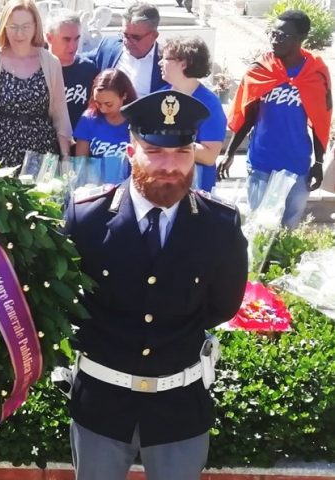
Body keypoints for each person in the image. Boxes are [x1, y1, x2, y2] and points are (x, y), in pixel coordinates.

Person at [63, 90, 248, 480]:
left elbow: (222, 306)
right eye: (156, 152)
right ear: (131, 154)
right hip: (102, 404)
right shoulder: (87, 219)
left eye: (181, 153)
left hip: (178, 407)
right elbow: (68, 301)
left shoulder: (219, 225)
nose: (170, 166)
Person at [218, 10, 331, 228]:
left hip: (297, 166)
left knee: (289, 229)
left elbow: (321, 121)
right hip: (261, 162)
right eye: (272, 33)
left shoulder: (315, 75)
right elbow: (247, 115)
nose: (274, 40)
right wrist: (229, 153)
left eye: (282, 36)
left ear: (300, 38)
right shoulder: (260, 70)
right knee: (258, 228)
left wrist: (318, 162)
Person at [0, 0, 71, 167]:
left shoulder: (50, 62)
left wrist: (66, 157)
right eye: (13, 27)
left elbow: (60, 114)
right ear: (4, 27)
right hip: (1, 152)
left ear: (35, 27)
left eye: (25, 27)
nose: (19, 34)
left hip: (41, 151)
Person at [159, 36, 227, 193]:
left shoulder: (210, 104)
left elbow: (210, 156)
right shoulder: (159, 97)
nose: (160, 63)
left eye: (166, 59)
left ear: (184, 63)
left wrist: (170, 141)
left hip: (196, 189)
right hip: (164, 186)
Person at [88, 2, 167, 96]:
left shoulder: (168, 61)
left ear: (154, 35)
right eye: (125, 35)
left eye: (135, 37)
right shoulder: (108, 47)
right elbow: (79, 61)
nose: (127, 41)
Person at [73, 69, 137, 183]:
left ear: (124, 96)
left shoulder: (137, 120)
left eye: (109, 104)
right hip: (95, 187)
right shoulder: (88, 119)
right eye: (98, 103)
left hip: (127, 186)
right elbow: (80, 164)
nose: (102, 109)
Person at [45, 8, 99, 131]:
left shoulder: (88, 69)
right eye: (66, 39)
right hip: (44, 144)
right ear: (49, 38)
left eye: (77, 38)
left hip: (79, 143)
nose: (73, 46)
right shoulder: (36, 69)